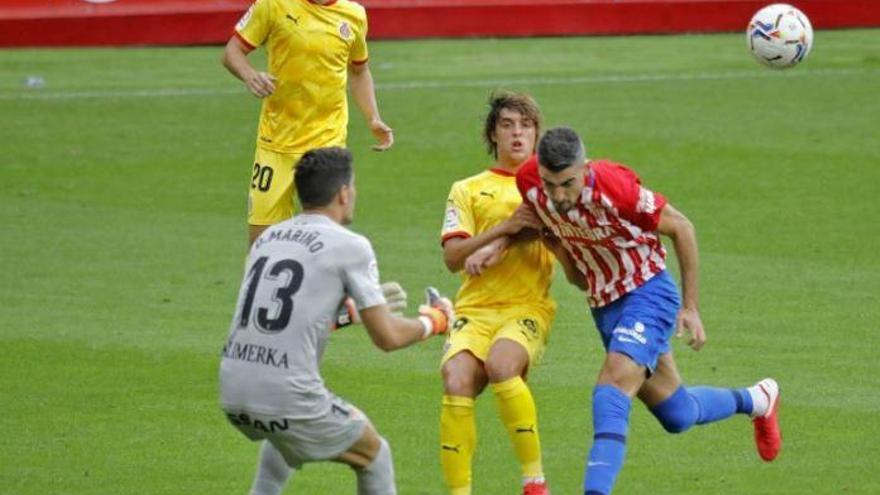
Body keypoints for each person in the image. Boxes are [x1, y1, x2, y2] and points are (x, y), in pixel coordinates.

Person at [508, 127, 782, 494]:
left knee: (611, 388)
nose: (558, 194)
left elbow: (682, 227)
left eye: (568, 184)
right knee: (677, 413)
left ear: (584, 168)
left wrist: (691, 308)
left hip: (648, 292)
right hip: (603, 304)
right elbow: (555, 248)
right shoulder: (529, 182)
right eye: (550, 183)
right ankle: (758, 399)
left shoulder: (615, 188)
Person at [219, 147, 453, 495]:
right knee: (375, 455)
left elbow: (279, 319)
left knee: (284, 444)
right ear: (344, 192)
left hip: (233, 386)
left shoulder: (267, 239)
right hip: (286, 393)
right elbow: (386, 337)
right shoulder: (350, 245)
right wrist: (435, 320)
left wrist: (347, 314)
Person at [438, 92, 556, 495]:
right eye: (507, 125)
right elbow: (453, 257)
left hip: (526, 306)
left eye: (525, 125)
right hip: (474, 308)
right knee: (456, 380)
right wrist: (498, 232)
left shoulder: (548, 183)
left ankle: (534, 481)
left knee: (502, 367)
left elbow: (537, 225)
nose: (517, 133)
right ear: (494, 134)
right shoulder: (467, 189)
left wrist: (498, 244)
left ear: (537, 133)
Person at [222, 0, 394, 245]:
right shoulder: (273, 5)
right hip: (276, 144)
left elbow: (359, 71)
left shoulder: (354, 15)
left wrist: (373, 117)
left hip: (327, 144)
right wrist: (250, 75)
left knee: (327, 240)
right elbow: (232, 52)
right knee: (261, 244)